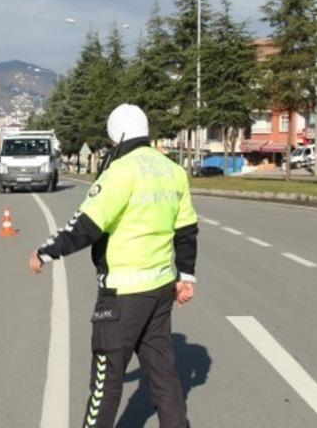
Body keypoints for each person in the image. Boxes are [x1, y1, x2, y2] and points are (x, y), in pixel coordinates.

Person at [29, 104, 199, 428]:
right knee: (164, 379)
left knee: (104, 388)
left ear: (117, 137)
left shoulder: (120, 171)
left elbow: (85, 225)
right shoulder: (172, 170)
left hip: (122, 295)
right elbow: (186, 231)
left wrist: (44, 252)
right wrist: (186, 277)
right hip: (161, 290)